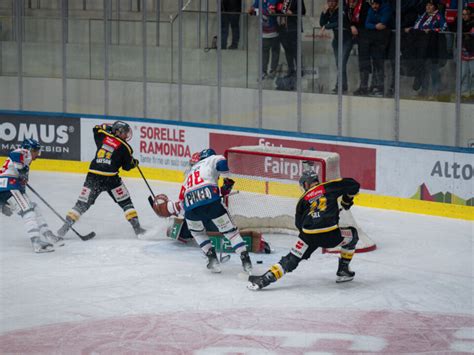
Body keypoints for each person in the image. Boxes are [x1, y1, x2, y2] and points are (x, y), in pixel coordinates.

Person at [247, 171, 360, 290]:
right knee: (353, 234)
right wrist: (346, 201)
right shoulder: (328, 186)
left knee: (292, 258)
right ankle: (343, 270)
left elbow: (299, 224)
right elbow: (354, 184)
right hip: (331, 236)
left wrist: (304, 243)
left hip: (308, 235)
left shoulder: (302, 199)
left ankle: (264, 279)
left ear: (306, 184)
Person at [57, 121, 145, 238]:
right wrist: (134, 163)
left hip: (93, 176)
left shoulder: (103, 136)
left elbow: (96, 128)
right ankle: (138, 230)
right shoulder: (125, 147)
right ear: (118, 132)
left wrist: (110, 128)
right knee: (125, 202)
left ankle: (63, 229)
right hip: (111, 178)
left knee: (81, 204)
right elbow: (126, 167)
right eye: (124, 132)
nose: (127, 135)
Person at [176, 148, 253, 273]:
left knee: (197, 233)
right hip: (211, 203)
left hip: (191, 208)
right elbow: (222, 164)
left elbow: (181, 202)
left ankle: (212, 259)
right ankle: (246, 261)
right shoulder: (211, 159)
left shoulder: (189, 175)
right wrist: (228, 179)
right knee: (231, 233)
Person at [0, 139, 63, 253]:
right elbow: (15, 154)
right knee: (28, 211)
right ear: (29, 149)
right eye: (36, 151)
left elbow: (19, 172)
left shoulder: (26, 159)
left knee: (33, 208)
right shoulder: (24, 152)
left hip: (9, 188)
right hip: (9, 187)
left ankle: (48, 234)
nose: (37, 155)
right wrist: (21, 170)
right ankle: (36, 243)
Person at [404, 0, 447, 98]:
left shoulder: (438, 16)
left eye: (430, 5)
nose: (427, 7)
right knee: (423, 69)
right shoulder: (423, 16)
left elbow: (444, 27)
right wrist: (411, 29)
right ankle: (424, 91)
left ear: (435, 7)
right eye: (427, 5)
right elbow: (418, 27)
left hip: (433, 47)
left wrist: (432, 30)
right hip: (421, 47)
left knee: (433, 69)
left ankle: (437, 91)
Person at [354, 0, 393, 97]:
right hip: (371, 38)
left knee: (378, 62)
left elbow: (384, 22)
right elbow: (367, 24)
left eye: (376, 4)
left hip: (382, 40)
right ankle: (366, 87)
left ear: (380, 4)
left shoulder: (386, 8)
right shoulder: (371, 9)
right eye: (373, 4)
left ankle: (379, 87)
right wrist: (375, 25)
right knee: (366, 61)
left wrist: (373, 23)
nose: (374, 6)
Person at [319, 0, 353, 93]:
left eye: (333, 1)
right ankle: (343, 86)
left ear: (337, 2)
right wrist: (324, 12)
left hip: (346, 40)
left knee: (341, 63)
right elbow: (322, 23)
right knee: (339, 64)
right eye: (329, 1)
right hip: (337, 41)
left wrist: (326, 26)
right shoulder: (330, 11)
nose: (331, 4)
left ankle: (340, 86)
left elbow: (339, 22)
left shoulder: (342, 10)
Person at [248, 0, 280, 80]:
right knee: (264, 52)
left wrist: (262, 11)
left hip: (274, 31)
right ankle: (263, 72)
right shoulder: (258, 1)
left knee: (275, 51)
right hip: (264, 32)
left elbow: (276, 11)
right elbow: (251, 12)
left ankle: (273, 71)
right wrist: (254, 11)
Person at [277, 0, 306, 78]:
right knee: (287, 49)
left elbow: (303, 11)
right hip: (283, 28)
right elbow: (278, 7)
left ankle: (300, 70)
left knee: (296, 49)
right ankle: (291, 69)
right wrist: (282, 10)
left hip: (293, 27)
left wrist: (292, 13)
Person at [460, 7, 474, 98]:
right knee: (464, 73)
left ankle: (473, 91)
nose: (464, 16)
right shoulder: (460, 23)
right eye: (463, 14)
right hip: (464, 51)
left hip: (473, 52)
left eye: (466, 14)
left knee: (473, 73)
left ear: (471, 15)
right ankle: (464, 91)